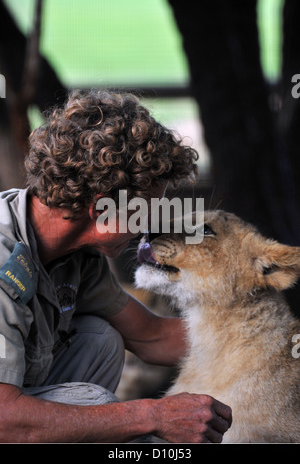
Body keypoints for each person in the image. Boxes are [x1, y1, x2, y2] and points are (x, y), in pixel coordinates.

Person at [0, 89, 232, 443]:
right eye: (145, 212)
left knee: (101, 338)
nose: (150, 229)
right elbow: (4, 419)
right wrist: (151, 415)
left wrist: (266, 343)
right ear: (102, 208)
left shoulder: (77, 256)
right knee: (99, 408)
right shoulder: (4, 261)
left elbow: (151, 335)